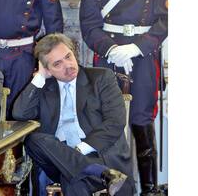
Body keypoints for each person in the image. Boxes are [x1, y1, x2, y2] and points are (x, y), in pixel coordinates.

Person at [79, 0, 168, 195]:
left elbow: (166, 20)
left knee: (141, 120)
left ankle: (149, 190)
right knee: (106, 121)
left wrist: (138, 47)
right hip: (108, 59)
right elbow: (89, 25)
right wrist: (111, 49)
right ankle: (110, 186)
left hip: (142, 57)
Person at [12, 33, 135, 196]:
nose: (68, 65)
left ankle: (93, 169)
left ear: (73, 53)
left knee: (72, 178)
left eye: (68, 57)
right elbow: (19, 114)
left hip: (99, 154)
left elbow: (116, 122)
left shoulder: (101, 77)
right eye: (57, 64)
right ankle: (100, 172)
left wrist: (79, 150)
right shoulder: (44, 87)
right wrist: (40, 77)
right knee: (33, 139)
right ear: (48, 69)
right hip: (59, 158)